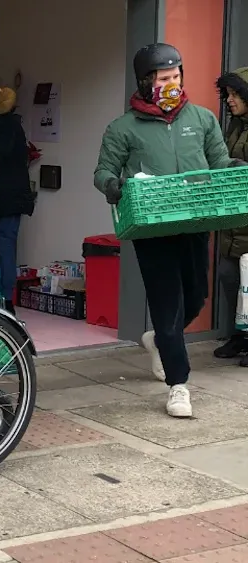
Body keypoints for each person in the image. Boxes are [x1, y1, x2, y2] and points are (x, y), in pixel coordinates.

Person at [94, 43, 241, 418]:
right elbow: (103, 172)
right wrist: (114, 185)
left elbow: (219, 162)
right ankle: (179, 384)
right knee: (167, 304)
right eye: (163, 78)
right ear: (145, 82)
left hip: (195, 221)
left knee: (195, 298)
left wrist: (234, 167)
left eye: (175, 76)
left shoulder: (203, 119)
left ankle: (158, 340)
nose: (171, 83)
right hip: (151, 227)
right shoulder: (123, 128)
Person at [213, 66, 248, 363]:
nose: (230, 100)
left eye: (235, 94)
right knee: (229, 276)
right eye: (227, 94)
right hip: (233, 217)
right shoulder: (234, 126)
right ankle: (239, 337)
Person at [0, 86, 35, 314]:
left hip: (0, 198)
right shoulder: (15, 126)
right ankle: (7, 301)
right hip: (14, 198)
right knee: (6, 248)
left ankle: (2, 299)